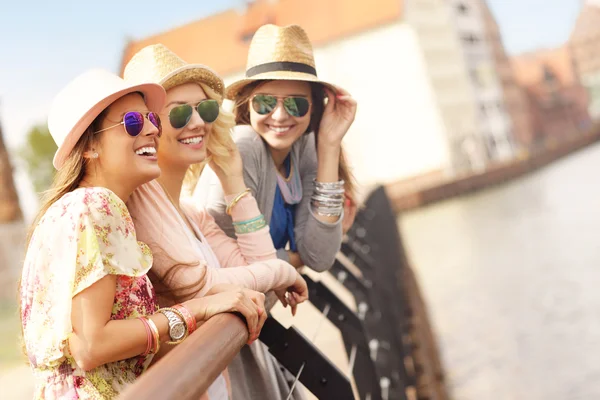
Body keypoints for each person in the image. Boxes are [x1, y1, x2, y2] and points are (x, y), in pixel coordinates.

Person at [19, 69, 266, 399]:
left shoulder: (73, 211)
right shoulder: (96, 205)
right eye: (132, 122)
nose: (151, 129)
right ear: (89, 146)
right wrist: (198, 309)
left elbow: (108, 349)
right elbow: (93, 345)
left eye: (152, 119)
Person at [123, 45, 309, 400]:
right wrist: (286, 272)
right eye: (178, 115)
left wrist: (233, 179)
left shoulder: (191, 213)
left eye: (205, 109)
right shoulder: (141, 206)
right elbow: (201, 285)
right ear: (148, 127)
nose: (197, 123)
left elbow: (258, 274)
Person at [195, 24, 358, 273]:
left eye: (296, 104)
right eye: (266, 102)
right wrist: (294, 260)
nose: (280, 115)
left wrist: (329, 145)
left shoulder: (303, 148)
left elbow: (319, 257)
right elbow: (225, 261)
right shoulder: (243, 145)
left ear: (314, 107)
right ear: (246, 105)